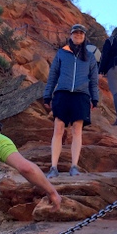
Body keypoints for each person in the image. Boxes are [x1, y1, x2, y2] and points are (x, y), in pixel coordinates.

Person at [42, 24, 99, 178]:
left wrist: (95, 97)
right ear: (71, 35)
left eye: (81, 33)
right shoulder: (62, 53)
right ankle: (53, 167)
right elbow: (53, 75)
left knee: (76, 130)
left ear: (85, 36)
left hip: (81, 96)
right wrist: (47, 95)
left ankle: (74, 166)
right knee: (58, 129)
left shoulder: (90, 56)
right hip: (62, 94)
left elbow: (93, 80)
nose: (78, 35)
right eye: (75, 33)